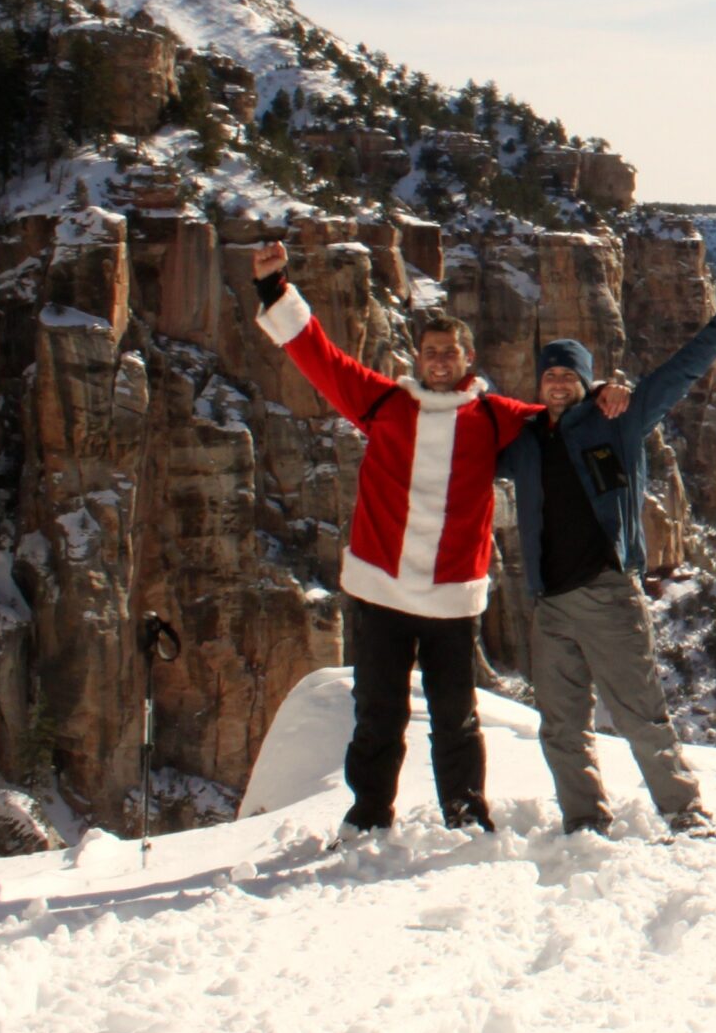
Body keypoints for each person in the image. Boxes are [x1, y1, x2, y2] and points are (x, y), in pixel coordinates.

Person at [250, 238, 629, 835]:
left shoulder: (495, 415)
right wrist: (275, 289)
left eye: (450, 352)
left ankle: (466, 812)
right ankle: (368, 817)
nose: (440, 361)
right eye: (431, 352)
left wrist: (606, 390)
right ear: (418, 357)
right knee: (377, 714)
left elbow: (564, 414)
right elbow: (319, 357)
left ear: (467, 357)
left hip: (452, 598)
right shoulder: (382, 403)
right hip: (381, 594)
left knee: (457, 716)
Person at [502, 276, 716, 837]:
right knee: (561, 726)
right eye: (550, 374)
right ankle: (584, 820)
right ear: (540, 382)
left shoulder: (620, 420)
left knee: (641, 714)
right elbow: (466, 439)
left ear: (586, 381)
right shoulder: (524, 440)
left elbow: (678, 376)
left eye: (569, 374)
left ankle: (684, 812)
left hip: (609, 593)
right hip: (549, 603)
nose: (559, 382)